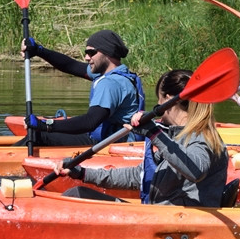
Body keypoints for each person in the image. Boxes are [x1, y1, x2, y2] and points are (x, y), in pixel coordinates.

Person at [56, 69, 229, 206]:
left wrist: (154, 133)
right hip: (160, 215)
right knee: (78, 193)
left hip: (178, 225)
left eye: (159, 100)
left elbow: (195, 170)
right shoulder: (176, 136)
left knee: (76, 197)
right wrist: (84, 173)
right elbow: (139, 175)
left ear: (168, 100)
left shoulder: (201, 137)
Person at [20, 29, 144, 146]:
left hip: (107, 144)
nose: (86, 57)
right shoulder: (118, 74)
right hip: (108, 137)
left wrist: (46, 125)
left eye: (91, 53)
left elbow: (89, 122)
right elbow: (70, 65)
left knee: (38, 136)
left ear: (108, 52)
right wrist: (38, 50)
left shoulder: (110, 84)